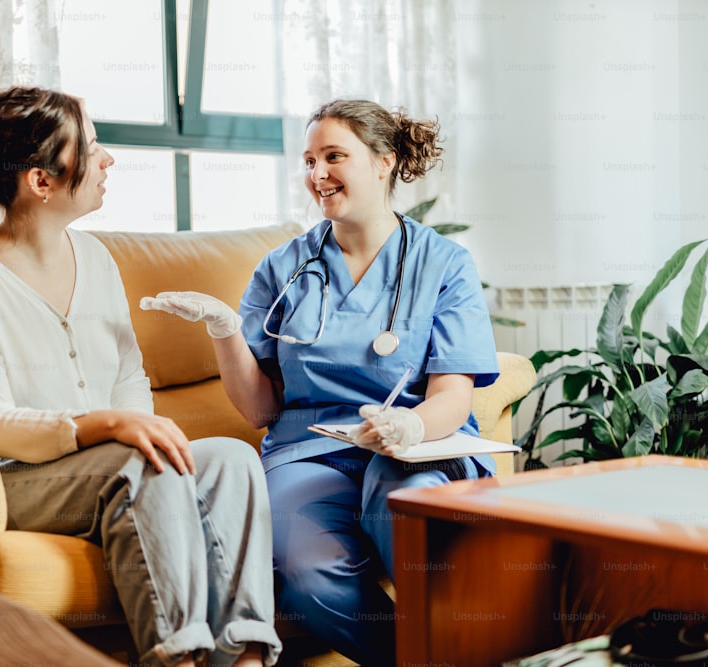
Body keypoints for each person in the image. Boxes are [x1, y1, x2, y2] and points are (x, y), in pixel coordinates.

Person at [0, 86, 281, 667]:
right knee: (143, 459)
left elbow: (128, 382)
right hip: (15, 475)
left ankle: (244, 657)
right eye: (91, 147)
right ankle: (179, 658)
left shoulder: (94, 258)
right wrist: (105, 426)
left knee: (231, 460)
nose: (108, 157)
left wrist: (128, 422)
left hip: (104, 468)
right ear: (42, 181)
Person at [141, 98, 500, 666]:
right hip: (310, 452)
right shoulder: (283, 268)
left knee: (409, 518)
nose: (317, 174)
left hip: (418, 445)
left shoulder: (444, 264)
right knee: (308, 578)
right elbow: (260, 409)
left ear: (384, 162)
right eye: (309, 160)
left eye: (334, 156)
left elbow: (453, 396)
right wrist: (226, 332)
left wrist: (408, 425)